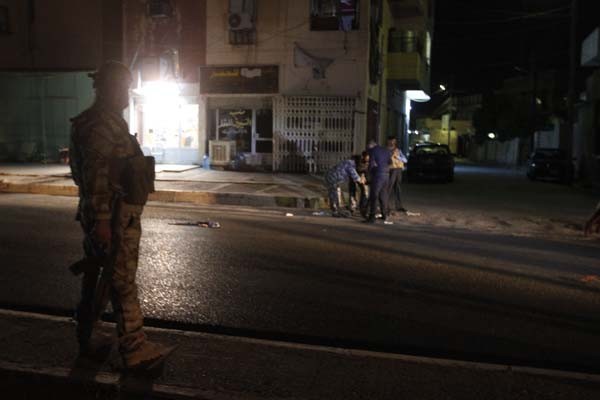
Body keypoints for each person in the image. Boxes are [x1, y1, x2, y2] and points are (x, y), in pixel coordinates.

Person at [69, 60, 173, 370]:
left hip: (104, 214)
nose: (127, 94)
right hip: (113, 216)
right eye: (123, 87)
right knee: (122, 280)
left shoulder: (93, 121)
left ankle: (87, 337)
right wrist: (103, 220)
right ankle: (134, 347)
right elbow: (98, 173)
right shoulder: (103, 124)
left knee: (96, 279)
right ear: (111, 88)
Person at [365, 139, 391, 223]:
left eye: (368, 148)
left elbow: (371, 164)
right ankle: (385, 215)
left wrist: (368, 174)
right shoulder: (386, 150)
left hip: (378, 175)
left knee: (374, 195)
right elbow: (390, 162)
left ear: (370, 146)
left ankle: (372, 217)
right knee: (383, 195)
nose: (368, 151)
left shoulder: (373, 151)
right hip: (386, 174)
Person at [386, 136, 408, 216]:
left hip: (398, 170)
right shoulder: (386, 151)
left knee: (397, 188)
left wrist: (397, 156)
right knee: (389, 187)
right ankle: (385, 206)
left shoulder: (398, 151)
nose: (392, 143)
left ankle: (399, 206)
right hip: (391, 170)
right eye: (391, 141)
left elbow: (405, 160)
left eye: (394, 142)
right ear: (388, 142)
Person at [348, 152, 369, 217]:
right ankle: (352, 206)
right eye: (366, 158)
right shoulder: (356, 160)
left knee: (365, 191)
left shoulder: (368, 161)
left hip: (362, 177)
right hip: (354, 176)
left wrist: (364, 177)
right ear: (363, 156)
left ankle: (363, 207)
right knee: (352, 190)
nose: (367, 160)